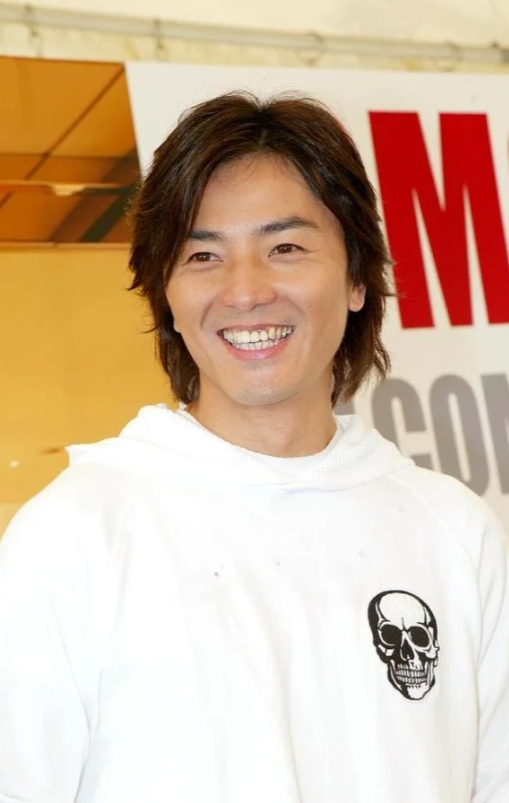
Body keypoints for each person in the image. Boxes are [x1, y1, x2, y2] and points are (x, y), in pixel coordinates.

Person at [0, 91, 508, 803]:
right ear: (166, 296)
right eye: (203, 255)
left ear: (357, 278)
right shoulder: (77, 533)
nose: (244, 291)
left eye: (285, 248)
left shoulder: (455, 531)